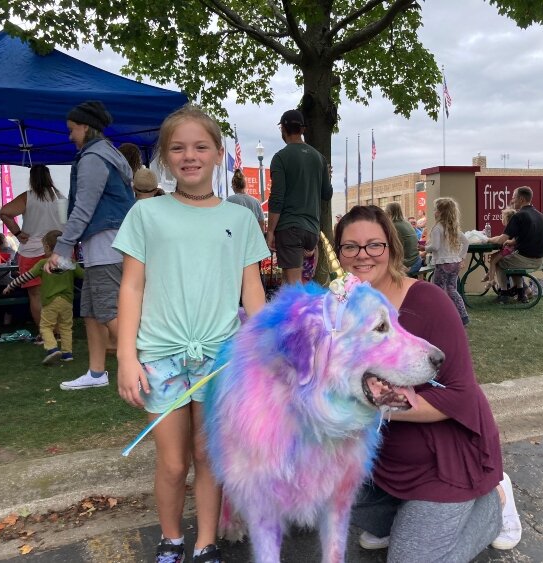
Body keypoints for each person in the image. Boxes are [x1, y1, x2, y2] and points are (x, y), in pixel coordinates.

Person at [114, 105, 269, 563]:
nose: (190, 155)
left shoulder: (240, 220)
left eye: (201, 146)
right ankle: (171, 539)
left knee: (208, 457)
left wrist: (264, 349)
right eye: (178, 148)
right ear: (164, 157)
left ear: (219, 154)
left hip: (219, 357)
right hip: (159, 357)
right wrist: (125, 357)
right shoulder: (146, 215)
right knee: (173, 461)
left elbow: (252, 289)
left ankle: (205, 544)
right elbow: (132, 286)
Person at [334, 206, 521, 562]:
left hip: (444, 458)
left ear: (391, 247)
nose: (362, 256)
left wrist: (359, 408)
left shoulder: (429, 301)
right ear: (340, 253)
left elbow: (463, 397)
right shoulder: (341, 308)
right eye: (350, 247)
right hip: (382, 458)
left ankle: (494, 501)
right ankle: (394, 518)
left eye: (374, 245)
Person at [45, 100, 135, 391]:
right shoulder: (106, 153)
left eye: (72, 129)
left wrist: (61, 248)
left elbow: (83, 208)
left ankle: (151, 368)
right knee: (93, 312)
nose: (70, 136)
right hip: (108, 244)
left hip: (106, 246)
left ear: (85, 126)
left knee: (109, 312)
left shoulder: (94, 158)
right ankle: (97, 374)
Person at [267, 109, 332, 284]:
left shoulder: (280, 157)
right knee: (301, 285)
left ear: (283, 129)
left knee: (293, 290)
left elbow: (277, 197)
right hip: (312, 230)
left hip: (289, 229)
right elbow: (327, 193)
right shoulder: (319, 158)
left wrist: (271, 231)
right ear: (302, 130)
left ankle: (299, 311)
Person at [0, 164, 67, 330]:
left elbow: (4, 212)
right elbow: (67, 224)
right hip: (58, 250)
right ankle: (59, 330)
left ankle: (45, 333)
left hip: (31, 251)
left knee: (35, 295)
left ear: (32, 178)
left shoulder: (28, 197)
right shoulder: (61, 197)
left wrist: (17, 232)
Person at [3, 230, 84, 365]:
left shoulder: (42, 264)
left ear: (46, 247)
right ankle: (67, 353)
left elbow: (26, 276)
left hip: (50, 302)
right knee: (66, 327)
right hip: (67, 302)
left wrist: (10, 285)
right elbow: (83, 275)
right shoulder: (70, 263)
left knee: (46, 326)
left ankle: (52, 349)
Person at [487, 186, 543, 304]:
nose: (512, 201)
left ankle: (504, 294)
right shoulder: (541, 216)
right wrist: (513, 242)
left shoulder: (518, 215)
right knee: (513, 259)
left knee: (497, 260)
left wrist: (487, 239)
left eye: (513, 197)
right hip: (541, 259)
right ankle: (521, 294)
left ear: (521, 199)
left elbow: (501, 240)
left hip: (526, 259)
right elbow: (531, 236)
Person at [425, 198, 470, 326]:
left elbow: (435, 247)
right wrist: (461, 257)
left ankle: (439, 316)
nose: (434, 212)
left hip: (442, 263)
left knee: (439, 290)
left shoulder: (437, 228)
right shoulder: (453, 228)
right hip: (454, 262)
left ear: (440, 213)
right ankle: (463, 316)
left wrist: (425, 248)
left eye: (435, 210)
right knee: (452, 289)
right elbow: (466, 242)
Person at [482, 207, 517, 289]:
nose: (501, 219)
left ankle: (491, 280)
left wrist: (488, 240)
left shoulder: (511, 227)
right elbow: (500, 237)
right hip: (508, 249)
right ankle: (489, 275)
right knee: (493, 257)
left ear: (508, 219)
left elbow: (501, 239)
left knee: (493, 261)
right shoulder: (511, 228)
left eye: (503, 217)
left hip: (508, 250)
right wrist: (490, 239)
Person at [385, 202, 422, 276]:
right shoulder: (406, 223)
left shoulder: (394, 226)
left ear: (389, 212)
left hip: (408, 265)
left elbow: (393, 249)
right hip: (417, 261)